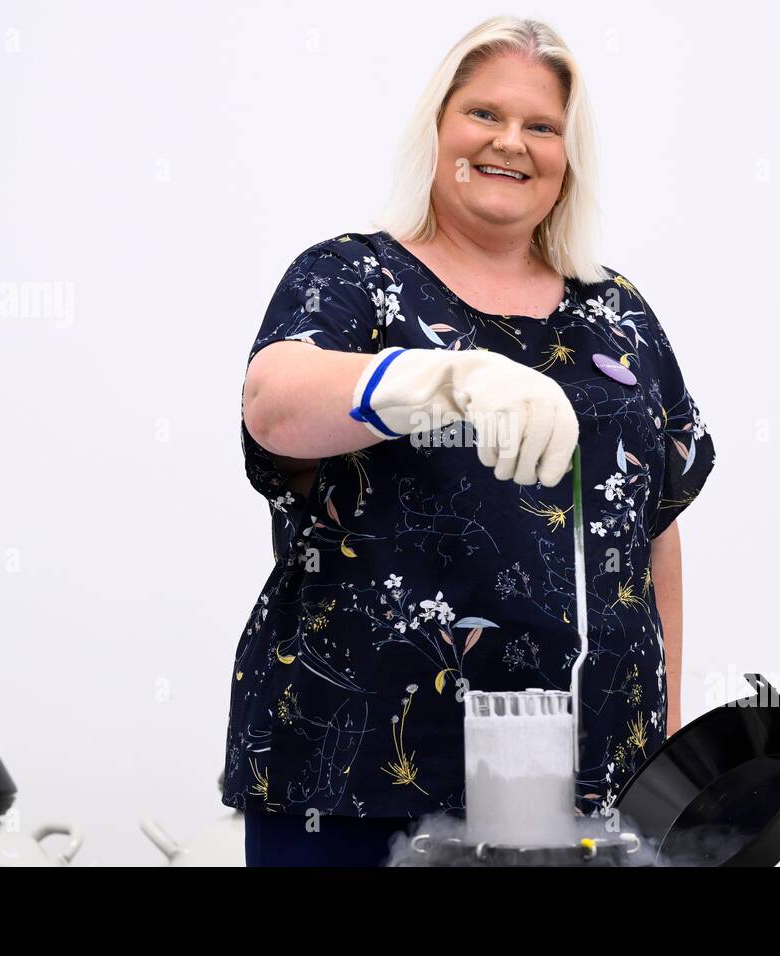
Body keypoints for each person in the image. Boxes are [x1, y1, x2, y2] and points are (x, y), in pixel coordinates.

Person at [225, 15, 716, 867]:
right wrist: (433, 379)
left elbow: (655, 531)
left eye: (541, 126)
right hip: (361, 778)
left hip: (591, 790)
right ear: (438, 129)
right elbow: (273, 402)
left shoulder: (619, 316)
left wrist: (663, 748)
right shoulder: (355, 279)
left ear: (568, 157)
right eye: (484, 115)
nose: (511, 144)